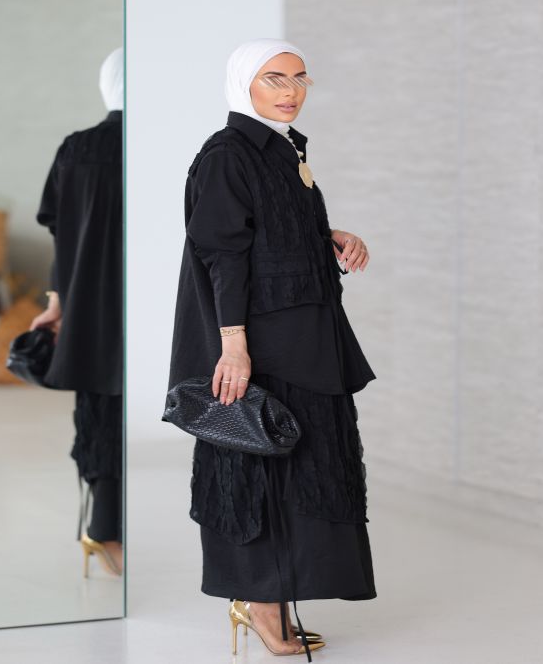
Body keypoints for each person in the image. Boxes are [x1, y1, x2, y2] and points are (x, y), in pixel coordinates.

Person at [166, 38, 376, 659]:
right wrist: (233, 347)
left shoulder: (283, 150)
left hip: (303, 336)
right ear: (244, 85)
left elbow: (267, 229)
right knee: (259, 467)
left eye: (300, 78)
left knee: (300, 464)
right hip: (264, 341)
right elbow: (222, 253)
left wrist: (326, 234)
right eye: (274, 78)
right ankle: (257, 600)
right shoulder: (227, 154)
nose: (291, 91)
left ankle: (275, 595)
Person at [31, 47, 124, 577]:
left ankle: (104, 528)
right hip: (142, 301)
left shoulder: (76, 148)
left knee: (100, 408)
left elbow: (61, 233)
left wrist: (56, 302)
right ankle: (106, 531)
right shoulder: (153, 146)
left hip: (89, 305)